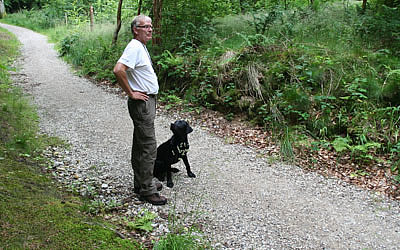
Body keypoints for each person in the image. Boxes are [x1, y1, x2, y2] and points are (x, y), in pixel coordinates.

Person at [113, 15, 166, 206]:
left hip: (146, 102)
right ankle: (147, 190)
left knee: (140, 144)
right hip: (142, 103)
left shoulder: (140, 47)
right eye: (145, 27)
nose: (150, 29)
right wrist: (131, 93)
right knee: (148, 146)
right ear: (136, 29)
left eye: (151, 26)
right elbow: (119, 69)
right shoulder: (134, 47)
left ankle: (142, 182)